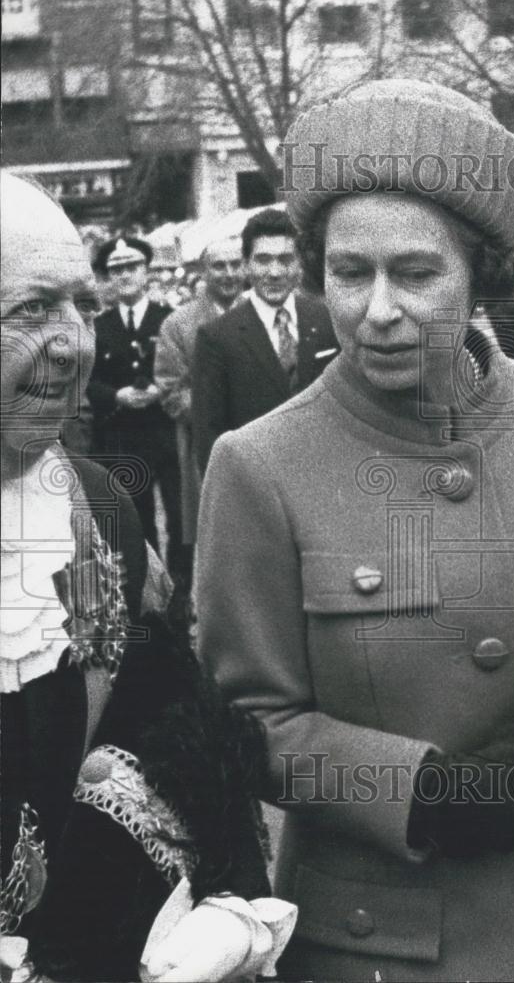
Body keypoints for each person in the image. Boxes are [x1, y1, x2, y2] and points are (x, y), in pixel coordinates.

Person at [197, 79, 514, 981]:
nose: (377, 309)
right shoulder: (258, 464)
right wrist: (417, 794)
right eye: (350, 273)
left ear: (480, 277)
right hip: (374, 945)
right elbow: (245, 723)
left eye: (415, 273)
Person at [0, 172, 296, 982]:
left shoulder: (96, 513)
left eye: (82, 305)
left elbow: (177, 731)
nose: (70, 344)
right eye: (31, 309)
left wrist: (231, 904)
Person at [192, 208, 338, 474]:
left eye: (285, 259)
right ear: (246, 265)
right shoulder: (217, 337)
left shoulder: (328, 320)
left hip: (326, 474)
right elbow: (209, 436)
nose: (274, 272)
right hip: (258, 484)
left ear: (299, 264)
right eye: (263, 260)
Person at [87, 236, 183, 578]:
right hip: (123, 436)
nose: (125, 275)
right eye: (117, 270)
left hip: (168, 432)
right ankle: (149, 598)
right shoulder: (98, 327)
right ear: (109, 278)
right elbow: (88, 380)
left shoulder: (171, 319)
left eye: (132, 267)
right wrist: (116, 396)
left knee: (180, 520)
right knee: (138, 523)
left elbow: (189, 370)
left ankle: (181, 597)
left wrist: (163, 388)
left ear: (147, 271)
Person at [154, 237, 244, 569]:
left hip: (265, 443)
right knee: (216, 543)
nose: (229, 273)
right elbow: (171, 392)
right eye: (219, 266)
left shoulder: (263, 313)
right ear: (203, 272)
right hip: (205, 449)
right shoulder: (178, 324)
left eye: (236, 264)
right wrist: (222, 409)